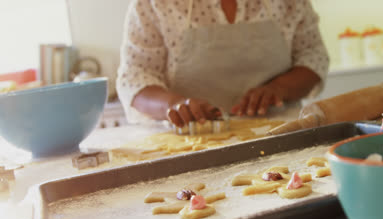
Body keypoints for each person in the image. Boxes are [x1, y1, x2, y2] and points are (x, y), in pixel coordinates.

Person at [117, 0, 329, 127]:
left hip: (283, 137)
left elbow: (312, 56)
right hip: (190, 147)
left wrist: (279, 88)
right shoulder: (155, 4)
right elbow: (135, 77)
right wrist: (173, 106)